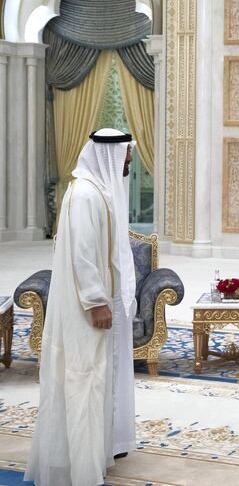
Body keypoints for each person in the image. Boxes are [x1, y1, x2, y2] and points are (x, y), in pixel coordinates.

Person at [25, 128, 137, 486]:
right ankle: (81, 472)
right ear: (109, 155)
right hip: (84, 309)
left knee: (94, 381)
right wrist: (96, 303)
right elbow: (82, 256)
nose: (130, 162)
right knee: (83, 380)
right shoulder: (85, 194)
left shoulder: (97, 191)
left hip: (95, 307)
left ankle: (92, 458)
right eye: (127, 156)